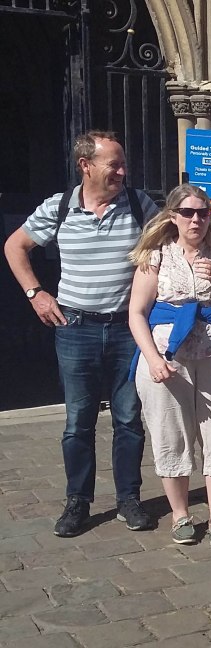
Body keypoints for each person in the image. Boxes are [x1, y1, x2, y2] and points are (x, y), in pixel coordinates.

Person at [4, 130, 159, 537]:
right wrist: (36, 294)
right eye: (115, 165)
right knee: (79, 421)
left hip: (128, 329)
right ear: (85, 165)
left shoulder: (140, 205)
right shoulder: (58, 208)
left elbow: (174, 245)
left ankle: (129, 498)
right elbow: (14, 247)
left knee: (128, 418)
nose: (123, 172)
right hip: (75, 328)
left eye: (124, 164)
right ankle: (78, 502)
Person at [128, 183, 211, 546]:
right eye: (188, 212)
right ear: (173, 216)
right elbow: (136, 313)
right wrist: (151, 359)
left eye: (203, 212)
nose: (196, 219)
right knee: (170, 432)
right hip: (168, 357)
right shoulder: (156, 254)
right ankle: (181, 514)